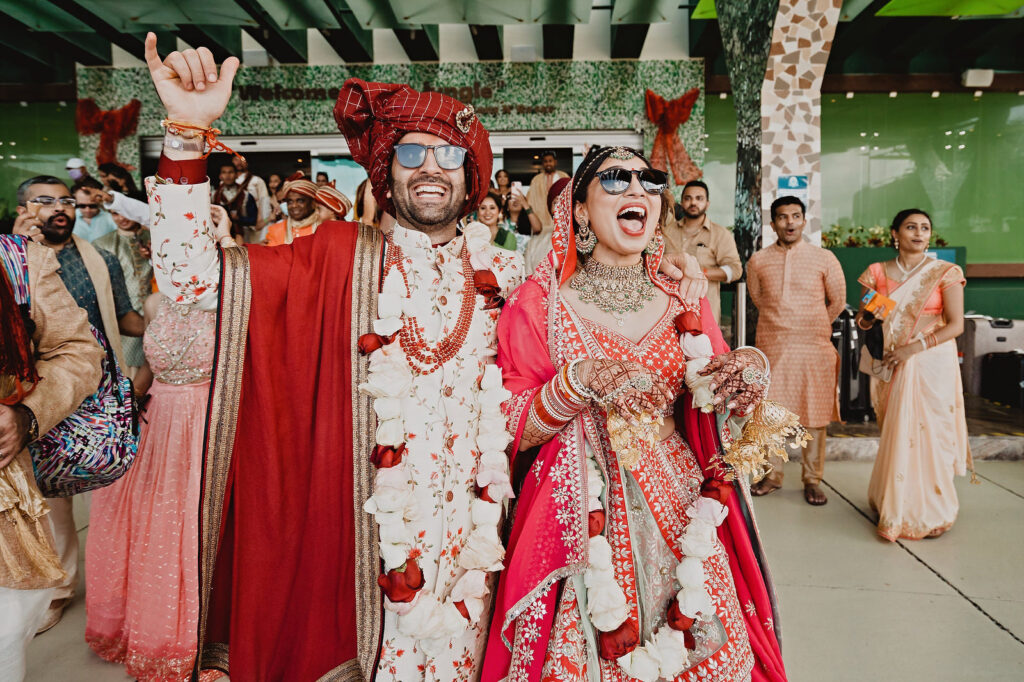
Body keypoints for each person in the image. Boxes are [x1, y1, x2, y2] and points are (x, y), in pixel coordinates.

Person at [140, 36, 528, 681]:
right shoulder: (335, 258)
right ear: (386, 171)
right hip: (360, 529)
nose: (430, 168)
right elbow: (189, 280)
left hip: (479, 541)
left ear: (472, 174)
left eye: (450, 154)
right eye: (410, 152)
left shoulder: (508, 273)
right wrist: (188, 135)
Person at [482, 145, 786, 682]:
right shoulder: (539, 303)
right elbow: (508, 427)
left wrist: (744, 376)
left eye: (649, 181)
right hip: (579, 507)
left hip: (682, 502)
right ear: (578, 209)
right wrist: (579, 382)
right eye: (615, 179)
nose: (637, 189)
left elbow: (714, 402)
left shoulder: (682, 298)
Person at [84, 206, 236, 681]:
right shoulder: (153, 305)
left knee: (199, 525)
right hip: (158, 425)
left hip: (211, 421)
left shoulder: (230, 298)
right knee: (156, 525)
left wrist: (228, 240)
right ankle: (157, 631)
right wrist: (121, 410)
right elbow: (149, 370)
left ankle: (205, 634)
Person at [12, 175, 145, 631]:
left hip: (101, 391)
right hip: (37, 396)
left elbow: (126, 319)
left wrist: (177, 311)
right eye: (45, 201)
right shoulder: (15, 262)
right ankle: (59, 588)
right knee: (50, 500)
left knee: (109, 489)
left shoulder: (101, 258)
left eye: (66, 200)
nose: (59, 208)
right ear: (24, 210)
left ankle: (125, 587)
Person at [0, 233, 103, 682]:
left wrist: (26, 414)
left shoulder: (19, 259)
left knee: (7, 626)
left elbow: (79, 351)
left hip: (3, 487)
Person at [855, 209, 970, 541]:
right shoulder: (877, 273)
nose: (919, 233)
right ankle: (890, 500)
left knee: (930, 434)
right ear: (895, 233)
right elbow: (866, 323)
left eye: (925, 228)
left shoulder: (945, 272)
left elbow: (956, 324)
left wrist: (913, 348)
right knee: (897, 431)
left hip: (932, 364)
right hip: (891, 362)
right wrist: (868, 314)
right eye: (911, 227)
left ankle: (930, 509)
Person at [747, 196, 845, 506]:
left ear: (804, 221)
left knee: (815, 416)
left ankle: (812, 479)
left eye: (795, 216)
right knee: (769, 413)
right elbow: (759, 299)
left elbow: (837, 301)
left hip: (815, 347)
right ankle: (772, 475)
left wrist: (813, 326)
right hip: (774, 345)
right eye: (782, 217)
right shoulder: (758, 261)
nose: (789, 222)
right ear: (773, 223)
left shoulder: (824, 258)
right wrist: (784, 326)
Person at [663, 180, 741, 324]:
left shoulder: (720, 234)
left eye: (699, 198)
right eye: (688, 198)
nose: (693, 203)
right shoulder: (666, 232)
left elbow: (735, 270)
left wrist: (699, 272)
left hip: (703, 312)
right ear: (682, 201)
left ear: (707, 203)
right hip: (667, 312)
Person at [93, 210, 154, 376]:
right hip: (123, 315)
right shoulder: (102, 244)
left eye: (126, 212)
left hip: (157, 312)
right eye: (115, 214)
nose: (121, 218)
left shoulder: (157, 238)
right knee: (127, 369)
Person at [264, 172, 321, 246]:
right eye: (290, 201)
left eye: (300, 201)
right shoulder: (276, 230)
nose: (294, 205)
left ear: (313, 204)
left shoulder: (323, 229)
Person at [211, 161, 259, 239]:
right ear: (220, 176)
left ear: (236, 175)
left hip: (243, 237)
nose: (227, 176)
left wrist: (239, 218)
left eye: (231, 172)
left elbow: (253, 220)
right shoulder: (214, 195)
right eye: (224, 172)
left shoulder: (246, 195)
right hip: (220, 236)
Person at [231, 155, 273, 241]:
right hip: (233, 226)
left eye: (242, 159)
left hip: (253, 224)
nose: (239, 162)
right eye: (236, 159)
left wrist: (261, 221)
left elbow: (264, 202)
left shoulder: (257, 181)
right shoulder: (226, 182)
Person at [71, 178, 117, 242]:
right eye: (82, 206)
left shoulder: (111, 219)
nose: (87, 210)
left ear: (100, 201)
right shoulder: (70, 218)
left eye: (93, 206)